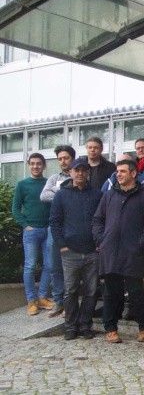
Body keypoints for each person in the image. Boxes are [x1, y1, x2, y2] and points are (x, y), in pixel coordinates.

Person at [92, 159, 144, 344]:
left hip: (133, 253)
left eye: (122, 171)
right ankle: (111, 329)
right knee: (111, 293)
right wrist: (100, 239)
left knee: (136, 292)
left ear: (133, 173)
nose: (118, 174)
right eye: (117, 171)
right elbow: (97, 220)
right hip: (110, 251)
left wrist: (141, 244)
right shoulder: (109, 196)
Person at [49, 159, 103, 340]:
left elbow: (102, 219)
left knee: (91, 291)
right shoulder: (61, 195)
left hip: (92, 250)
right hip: (70, 250)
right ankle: (70, 326)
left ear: (88, 172)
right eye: (76, 170)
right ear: (70, 172)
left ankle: (85, 325)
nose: (80, 173)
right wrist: (62, 245)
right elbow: (55, 222)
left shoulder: (97, 195)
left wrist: (99, 242)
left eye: (83, 170)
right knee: (70, 290)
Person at [12, 153, 54, 316]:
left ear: (44, 166)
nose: (35, 166)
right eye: (32, 163)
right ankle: (31, 300)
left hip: (48, 230)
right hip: (31, 231)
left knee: (49, 265)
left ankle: (42, 298)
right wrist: (25, 225)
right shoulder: (22, 184)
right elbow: (16, 208)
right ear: (29, 165)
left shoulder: (48, 183)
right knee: (30, 266)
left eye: (39, 164)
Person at [41, 144, 76, 318]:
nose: (63, 161)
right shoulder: (54, 178)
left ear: (72, 158)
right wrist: (61, 190)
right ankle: (59, 301)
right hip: (55, 228)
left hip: (74, 228)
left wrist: (58, 192)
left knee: (74, 266)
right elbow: (43, 196)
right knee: (55, 265)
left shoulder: (79, 175)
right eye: (60, 159)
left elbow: (77, 196)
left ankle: (71, 302)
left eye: (66, 158)